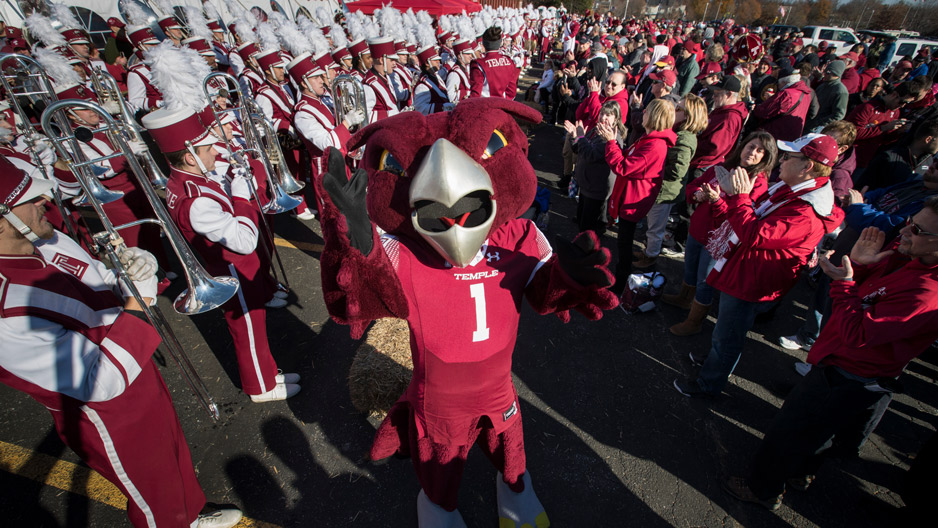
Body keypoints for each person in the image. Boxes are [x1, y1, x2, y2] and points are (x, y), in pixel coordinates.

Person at [0, 159, 243, 528]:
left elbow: (102, 280)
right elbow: (100, 383)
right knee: (151, 492)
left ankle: (189, 512)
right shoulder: (6, 314)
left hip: (131, 360)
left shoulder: (45, 239)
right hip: (106, 413)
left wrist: (132, 270)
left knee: (173, 453)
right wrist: (139, 302)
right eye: (29, 201)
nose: (43, 203)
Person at [724, 218, 938, 511]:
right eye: (910, 222)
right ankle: (800, 473)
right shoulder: (910, 261)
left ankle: (762, 488)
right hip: (844, 366)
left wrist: (842, 284)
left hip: (849, 373)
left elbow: (858, 333)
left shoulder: (928, 293)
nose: (903, 231)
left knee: (790, 431)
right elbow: (866, 295)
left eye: (917, 229)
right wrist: (859, 267)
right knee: (820, 433)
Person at [142, 107, 300, 402]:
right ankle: (260, 387)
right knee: (248, 328)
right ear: (190, 156)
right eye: (207, 149)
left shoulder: (186, 179)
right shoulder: (195, 199)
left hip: (234, 265)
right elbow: (243, 240)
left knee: (255, 323)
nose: (215, 152)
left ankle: (266, 373)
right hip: (232, 268)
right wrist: (240, 195)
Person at [673, 134, 844, 397]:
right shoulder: (794, 190)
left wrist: (739, 196)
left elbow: (754, 234)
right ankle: (715, 361)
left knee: (729, 334)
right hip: (746, 271)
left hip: (751, 279)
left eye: (788, 157)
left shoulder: (805, 211)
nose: (782, 161)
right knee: (727, 330)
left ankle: (709, 383)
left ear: (807, 166)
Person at [662, 131, 777, 335]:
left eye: (760, 151)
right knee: (690, 267)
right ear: (743, 146)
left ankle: (694, 321)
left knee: (705, 279)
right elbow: (692, 188)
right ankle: (684, 299)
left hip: (719, 240)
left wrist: (716, 200)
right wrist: (697, 195)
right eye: (751, 146)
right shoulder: (723, 167)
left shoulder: (757, 183)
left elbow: (736, 218)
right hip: (698, 229)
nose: (753, 152)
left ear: (765, 158)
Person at [599, 98, 677, 296]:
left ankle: (620, 281)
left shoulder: (655, 145)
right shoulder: (649, 139)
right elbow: (628, 157)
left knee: (624, 244)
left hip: (633, 200)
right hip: (630, 195)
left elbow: (624, 167)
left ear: (655, 117)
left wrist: (610, 143)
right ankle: (620, 276)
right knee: (623, 241)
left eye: (647, 111)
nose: (643, 114)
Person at [635, 94, 708, 269]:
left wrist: (654, 169)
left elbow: (677, 170)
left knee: (656, 228)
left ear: (689, 116)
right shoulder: (680, 134)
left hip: (665, 192)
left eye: (678, 109)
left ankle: (650, 256)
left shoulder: (684, 139)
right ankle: (648, 251)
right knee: (653, 225)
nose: (674, 111)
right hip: (663, 189)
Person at [565, 101, 625, 235]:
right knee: (582, 221)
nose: (604, 117)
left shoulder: (613, 138)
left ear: (616, 119)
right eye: (602, 113)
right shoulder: (595, 130)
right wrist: (574, 136)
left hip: (596, 189)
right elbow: (579, 149)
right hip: (586, 186)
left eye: (609, 115)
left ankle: (586, 252)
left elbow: (591, 154)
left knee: (588, 228)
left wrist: (580, 136)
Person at [688, 75, 748, 179]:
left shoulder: (730, 117)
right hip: (699, 162)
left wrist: (692, 142)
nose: (712, 97)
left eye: (716, 94)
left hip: (703, 165)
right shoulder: (722, 111)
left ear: (729, 94)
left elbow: (715, 148)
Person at [750, 63, 812, 142]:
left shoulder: (786, 94)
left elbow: (763, 112)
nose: (778, 86)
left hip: (776, 135)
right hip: (793, 136)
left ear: (784, 82)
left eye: (778, 83)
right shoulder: (806, 93)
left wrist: (765, 103)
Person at [469, 27, 519, 99]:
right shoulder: (509, 61)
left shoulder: (478, 64)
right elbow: (512, 92)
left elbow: (475, 95)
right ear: (500, 43)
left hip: (485, 106)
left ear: (483, 44)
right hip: (504, 105)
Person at [805, 60, 848, 132]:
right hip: (810, 122)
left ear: (836, 74)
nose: (824, 74)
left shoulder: (840, 91)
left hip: (818, 128)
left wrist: (821, 123)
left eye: (828, 73)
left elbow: (839, 115)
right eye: (825, 71)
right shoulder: (823, 85)